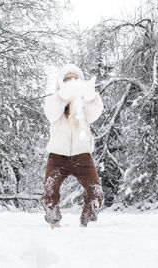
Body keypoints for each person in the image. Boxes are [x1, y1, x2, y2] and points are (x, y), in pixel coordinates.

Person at [41, 63, 104, 228]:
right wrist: (62, 96)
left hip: (82, 156)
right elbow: (51, 112)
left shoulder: (84, 104)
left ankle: (87, 223)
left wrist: (91, 97)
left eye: (75, 79)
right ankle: (53, 219)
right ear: (61, 83)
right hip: (57, 156)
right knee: (49, 192)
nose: (72, 82)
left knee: (96, 192)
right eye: (68, 80)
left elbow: (95, 113)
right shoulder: (55, 101)